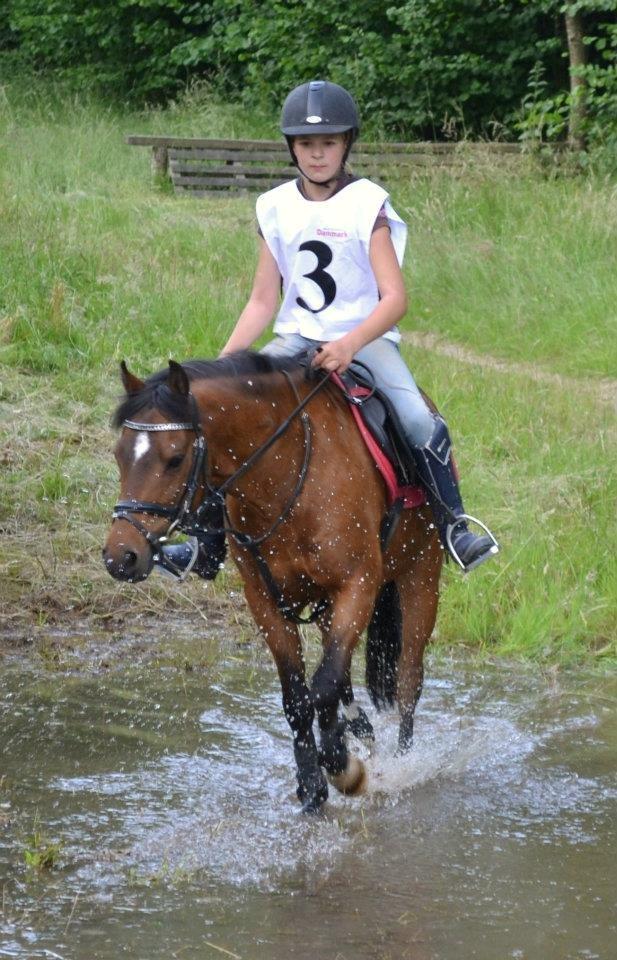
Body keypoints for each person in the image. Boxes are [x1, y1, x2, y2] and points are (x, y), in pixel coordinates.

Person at [157, 79, 498, 579]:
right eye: (306, 144)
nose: (317, 155)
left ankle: (455, 527)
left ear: (347, 144)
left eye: (328, 143)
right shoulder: (274, 207)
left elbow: (395, 298)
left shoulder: (367, 202)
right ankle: (204, 544)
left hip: (365, 338)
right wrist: (223, 365)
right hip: (296, 336)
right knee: (220, 411)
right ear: (291, 148)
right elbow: (261, 300)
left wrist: (349, 343)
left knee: (420, 420)